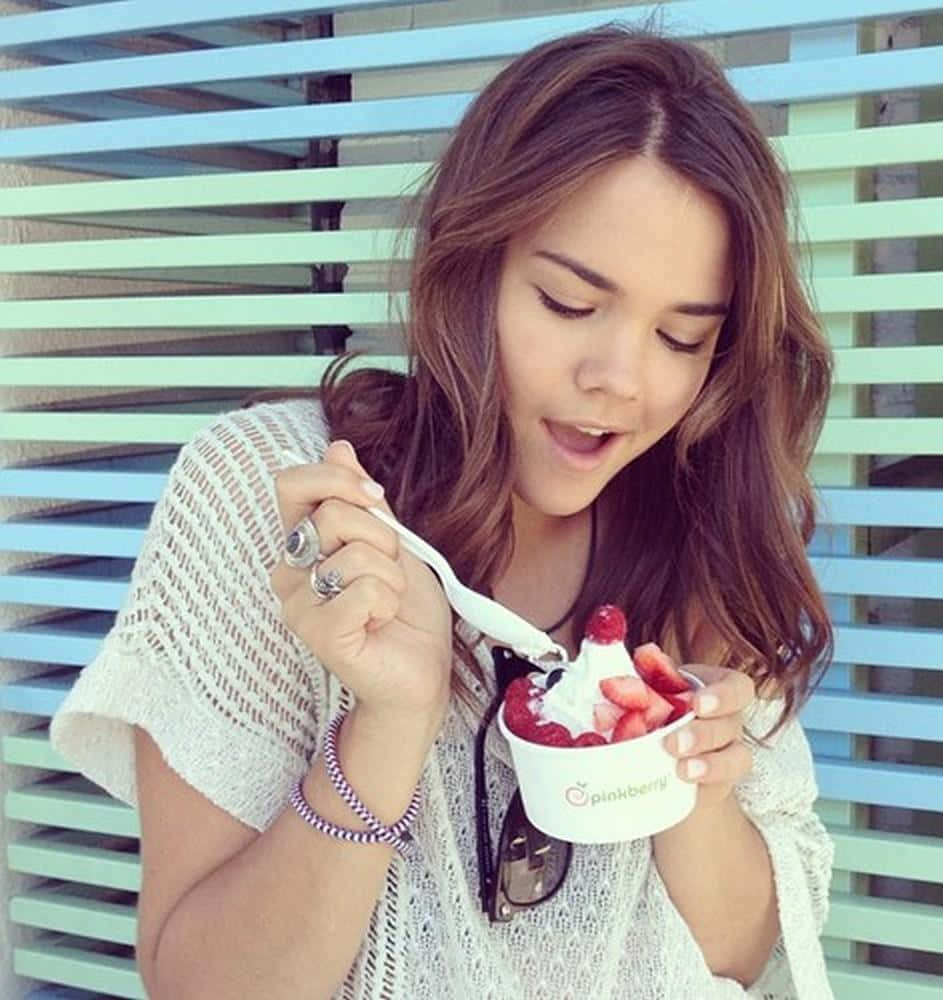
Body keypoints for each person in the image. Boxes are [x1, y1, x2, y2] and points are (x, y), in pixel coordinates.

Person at [50, 23, 837, 1000]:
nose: (619, 381)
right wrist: (389, 721)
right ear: (473, 266)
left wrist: (685, 779)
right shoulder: (291, 503)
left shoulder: (702, 529)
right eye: (565, 302)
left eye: (680, 337)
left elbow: (736, 954)